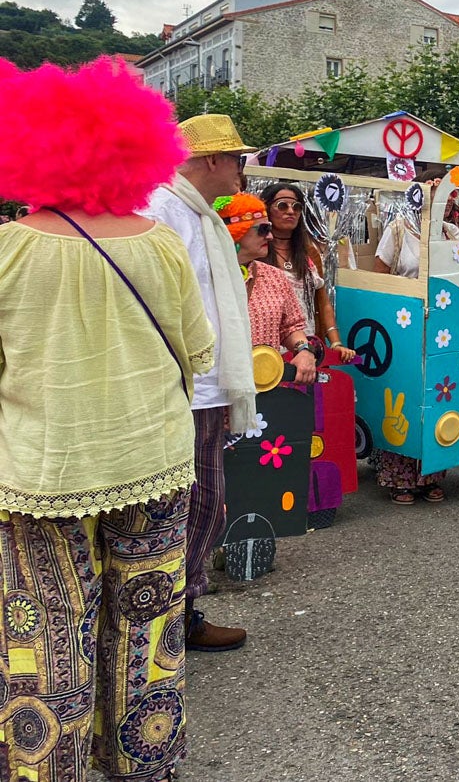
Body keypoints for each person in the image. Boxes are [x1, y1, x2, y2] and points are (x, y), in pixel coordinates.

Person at [0, 58, 216, 782]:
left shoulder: (11, 250)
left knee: (49, 640)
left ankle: (46, 769)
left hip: (43, 475)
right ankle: (144, 764)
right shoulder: (159, 244)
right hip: (152, 461)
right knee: (149, 631)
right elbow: (200, 350)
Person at [143, 113, 257, 653]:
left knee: (203, 504)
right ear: (212, 159)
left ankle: (176, 612)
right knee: (191, 506)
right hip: (185, 386)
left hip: (205, 385)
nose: (242, 169)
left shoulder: (196, 213)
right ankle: (166, 618)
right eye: (236, 158)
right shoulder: (164, 211)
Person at [371, 189, 459, 502]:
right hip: (405, 325)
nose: (447, 199)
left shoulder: (452, 232)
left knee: (439, 396)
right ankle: (400, 477)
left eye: (451, 195)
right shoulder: (398, 230)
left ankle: (431, 474)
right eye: (438, 192)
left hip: (444, 326)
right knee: (405, 396)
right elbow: (379, 278)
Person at [215, 194, 318, 384]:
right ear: (235, 232)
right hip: (216, 391)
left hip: (265, 388)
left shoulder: (275, 277)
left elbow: (291, 327)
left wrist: (304, 351)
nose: (270, 236)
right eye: (263, 229)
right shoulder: (205, 278)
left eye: (269, 228)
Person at [259, 182, 354, 360]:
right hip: (268, 349)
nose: (290, 211)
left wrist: (336, 343)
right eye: (282, 205)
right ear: (267, 209)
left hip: (307, 347)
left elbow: (323, 302)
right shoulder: (257, 252)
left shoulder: (309, 253)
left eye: (297, 207)